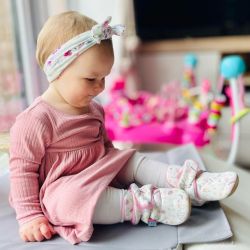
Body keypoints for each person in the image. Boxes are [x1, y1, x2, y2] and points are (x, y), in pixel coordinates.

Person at [9, 11, 239, 245]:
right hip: (66, 186)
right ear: (56, 70)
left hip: (101, 166)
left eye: (104, 77)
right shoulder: (35, 121)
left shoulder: (94, 108)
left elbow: (106, 148)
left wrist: (120, 163)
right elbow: (22, 172)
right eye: (91, 79)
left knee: (131, 160)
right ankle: (146, 204)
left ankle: (189, 182)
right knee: (65, 202)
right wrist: (30, 216)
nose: (100, 87)